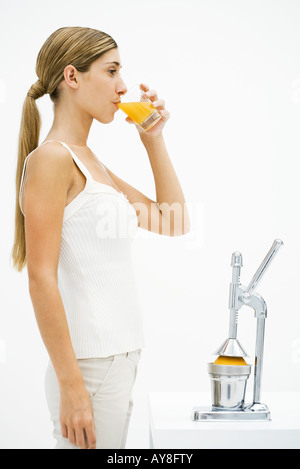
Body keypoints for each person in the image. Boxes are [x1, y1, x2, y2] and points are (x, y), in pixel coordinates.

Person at [11, 26, 190, 450]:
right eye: (111, 71)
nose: (123, 86)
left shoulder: (91, 163)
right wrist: (72, 386)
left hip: (118, 360)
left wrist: (153, 139)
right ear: (72, 77)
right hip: (88, 368)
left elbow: (174, 221)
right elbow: (40, 279)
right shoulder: (53, 160)